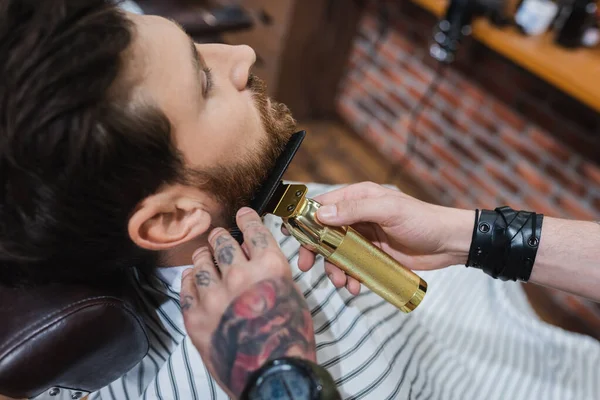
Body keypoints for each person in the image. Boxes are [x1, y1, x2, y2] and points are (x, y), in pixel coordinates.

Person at [1, 1, 598, 399]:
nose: (242, 55)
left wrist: (474, 235)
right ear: (173, 218)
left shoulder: (238, 201)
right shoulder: (213, 372)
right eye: (203, 82)